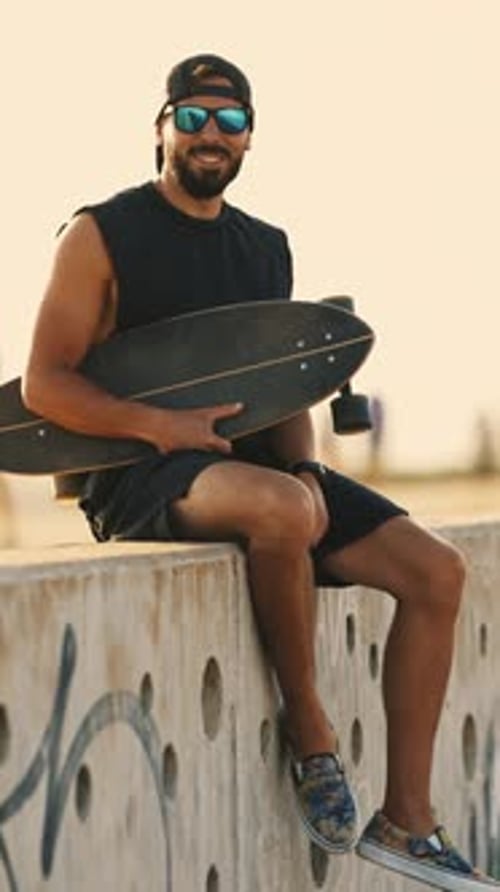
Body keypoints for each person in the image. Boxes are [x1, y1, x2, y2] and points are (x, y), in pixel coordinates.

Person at [23, 53, 499, 890]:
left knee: (435, 571)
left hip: (251, 470)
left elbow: (280, 389)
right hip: (137, 473)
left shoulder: (264, 247)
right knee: (282, 512)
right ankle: (310, 731)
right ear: (162, 127)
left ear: (250, 139)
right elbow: (44, 384)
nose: (213, 135)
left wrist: (310, 471)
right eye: (196, 117)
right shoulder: (101, 233)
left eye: (232, 122)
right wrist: (157, 426)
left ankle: (408, 821)